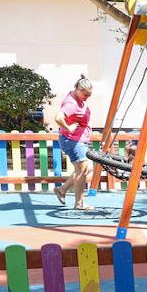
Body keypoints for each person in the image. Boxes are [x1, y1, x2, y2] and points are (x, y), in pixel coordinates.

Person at [54, 76, 95, 210]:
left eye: (89, 95)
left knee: (86, 168)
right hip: (73, 140)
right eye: (86, 95)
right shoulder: (71, 103)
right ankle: (79, 203)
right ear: (79, 89)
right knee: (82, 172)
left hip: (77, 139)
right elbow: (58, 118)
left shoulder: (75, 98)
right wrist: (68, 127)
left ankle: (62, 190)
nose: (87, 98)